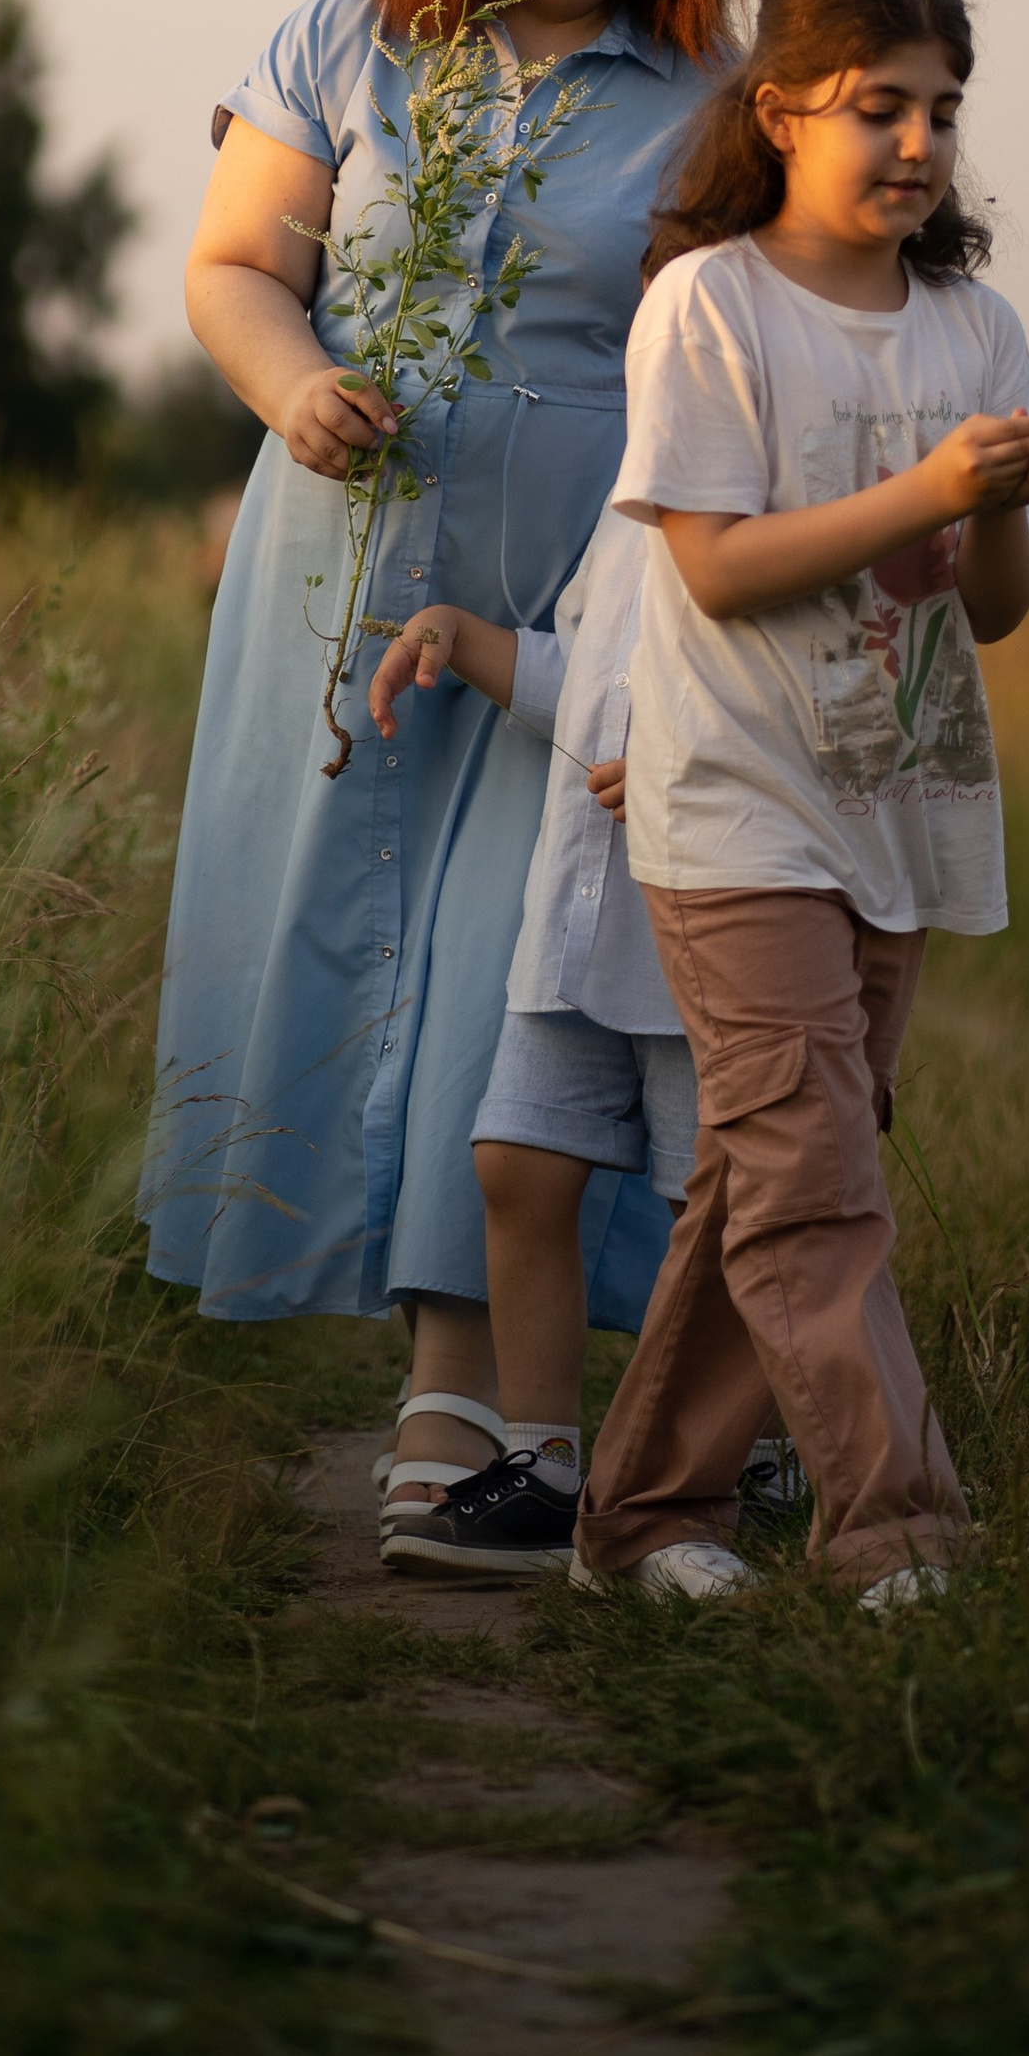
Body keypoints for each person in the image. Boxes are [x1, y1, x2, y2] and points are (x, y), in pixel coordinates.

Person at [138, 0, 742, 1552]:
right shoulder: (350, 35)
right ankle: (472, 1380)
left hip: (580, 581)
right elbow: (237, 262)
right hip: (343, 559)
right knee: (328, 937)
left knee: (515, 967)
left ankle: (455, 1396)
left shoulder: (717, 93)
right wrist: (291, 383)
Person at [570, 0, 1029, 1612]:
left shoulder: (974, 329)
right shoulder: (708, 308)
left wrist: (1006, 497)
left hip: (899, 803)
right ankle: (899, 1530)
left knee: (777, 1170)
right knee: (812, 1176)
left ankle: (641, 1516)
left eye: (944, 111)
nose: (922, 147)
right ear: (782, 109)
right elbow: (713, 569)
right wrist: (934, 486)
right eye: (883, 109)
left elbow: (994, 613)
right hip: (736, 807)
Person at [360, 512, 808, 1575]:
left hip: (697, 939)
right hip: (573, 928)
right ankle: (544, 1464)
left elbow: (808, 702)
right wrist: (461, 636)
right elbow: (587, 678)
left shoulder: (777, 513)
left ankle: (756, 1451)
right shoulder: (626, 515)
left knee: (716, 1213)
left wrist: (691, 754)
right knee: (514, 1164)